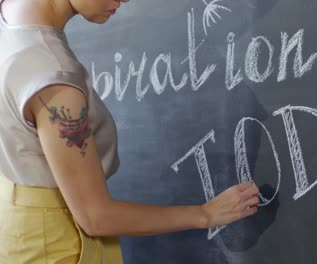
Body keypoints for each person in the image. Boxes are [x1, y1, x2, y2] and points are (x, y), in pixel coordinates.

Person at [0, 0, 260, 263]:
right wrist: (205, 214)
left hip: (19, 226)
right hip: (56, 244)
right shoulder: (51, 79)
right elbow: (95, 217)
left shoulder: (10, 13)